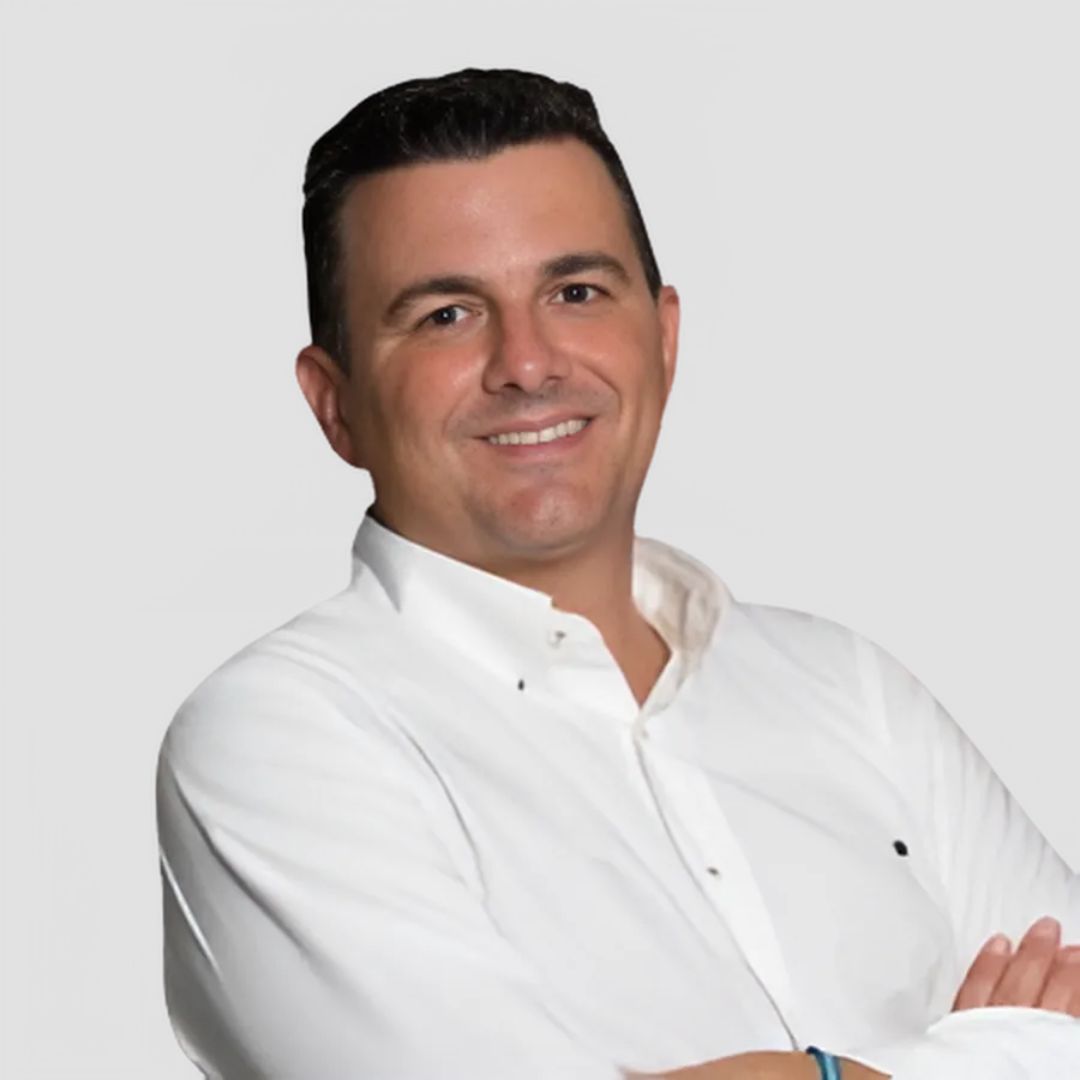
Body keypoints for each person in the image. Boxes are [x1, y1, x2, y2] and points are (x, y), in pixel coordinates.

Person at [155, 68, 1080, 1079]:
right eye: (446, 315)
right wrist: (1000, 1053)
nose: (528, 363)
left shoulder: (853, 692)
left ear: (663, 336)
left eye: (576, 293)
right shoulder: (281, 737)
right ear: (335, 405)